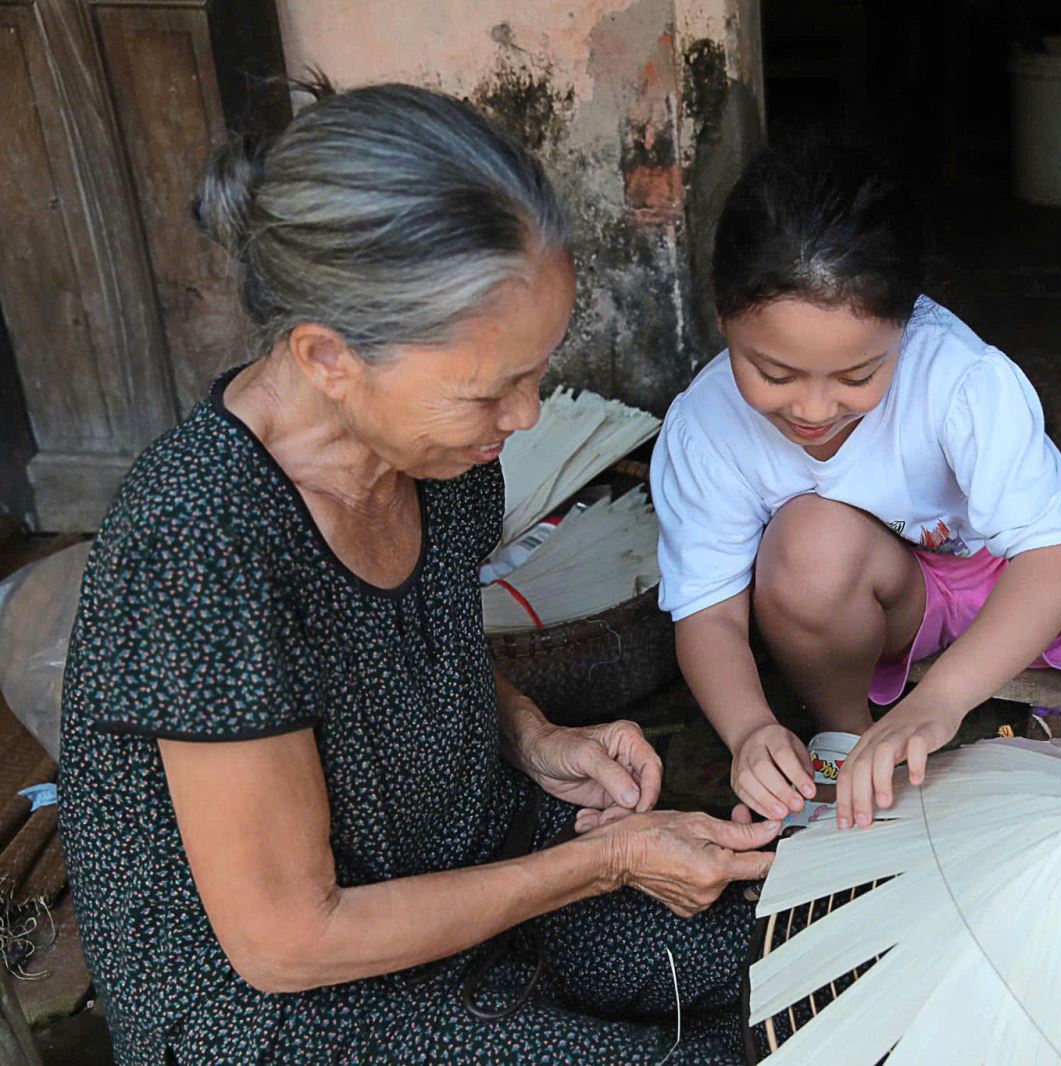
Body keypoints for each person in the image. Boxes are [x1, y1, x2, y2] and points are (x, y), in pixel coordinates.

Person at [56, 81, 776, 1065]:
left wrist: (531, 736)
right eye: (492, 388)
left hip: (463, 854)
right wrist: (600, 861)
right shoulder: (198, 544)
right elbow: (288, 941)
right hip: (288, 1006)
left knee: (779, 950)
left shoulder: (440, 456)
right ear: (328, 357)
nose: (528, 415)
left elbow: (408, 640)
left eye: (536, 370)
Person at [651, 147, 1061, 832]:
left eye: (858, 376)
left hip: (1030, 577)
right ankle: (846, 737)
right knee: (806, 539)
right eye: (774, 371)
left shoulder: (960, 374)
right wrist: (748, 730)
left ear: (905, 322)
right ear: (722, 317)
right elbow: (707, 613)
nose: (814, 408)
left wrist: (940, 701)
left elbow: (1056, 559)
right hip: (888, 602)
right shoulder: (704, 426)